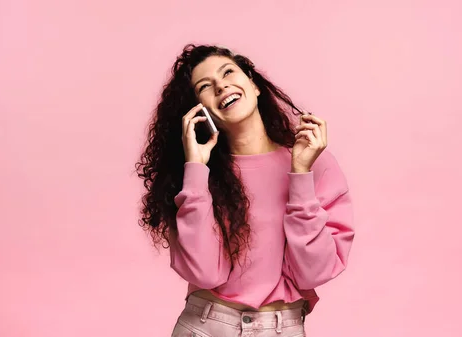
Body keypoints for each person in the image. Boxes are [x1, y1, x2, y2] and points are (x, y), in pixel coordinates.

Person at [136, 44, 355, 336]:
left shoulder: (314, 160)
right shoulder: (195, 175)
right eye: (205, 86)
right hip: (206, 326)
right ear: (198, 110)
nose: (221, 85)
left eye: (228, 72)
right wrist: (196, 169)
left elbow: (313, 272)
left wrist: (300, 176)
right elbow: (205, 273)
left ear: (253, 84)